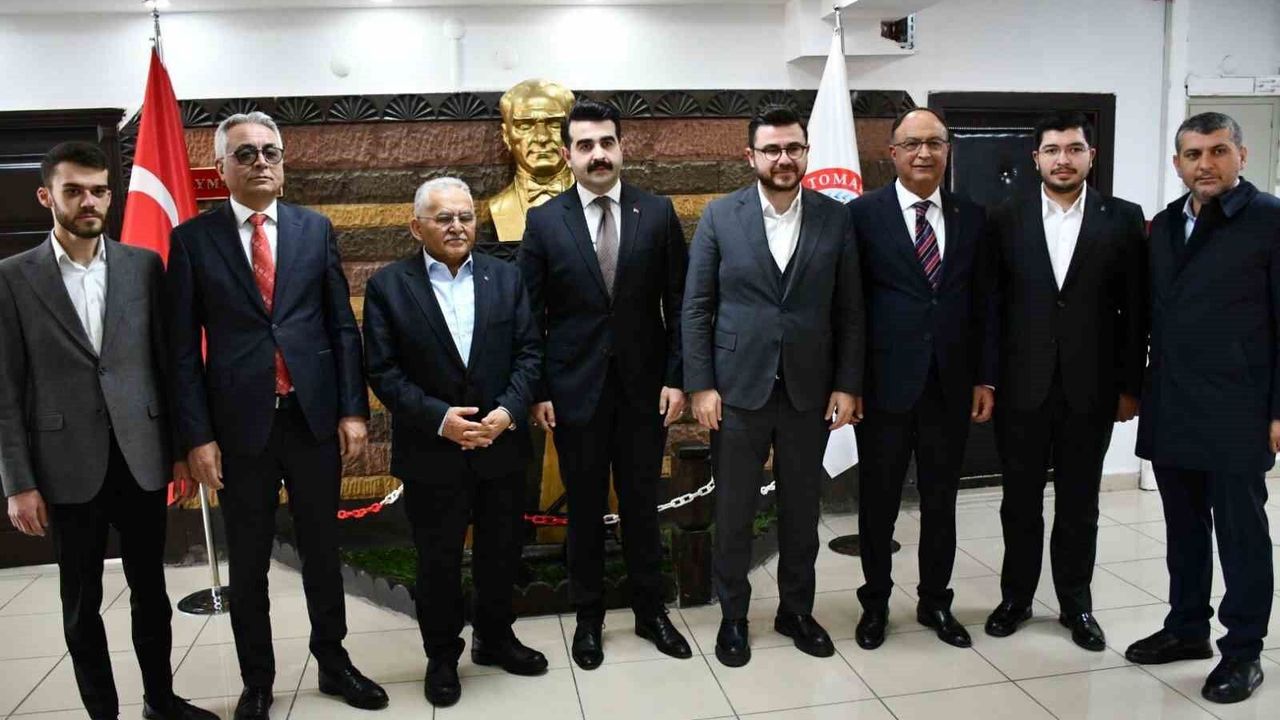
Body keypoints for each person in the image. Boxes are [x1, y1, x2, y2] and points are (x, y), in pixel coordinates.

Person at [166, 112, 387, 719]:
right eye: (246, 153)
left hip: (311, 420)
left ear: (283, 163)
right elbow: (180, 351)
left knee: (323, 551)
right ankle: (257, 681)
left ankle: (334, 663)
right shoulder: (192, 241)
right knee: (250, 562)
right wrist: (197, 436)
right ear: (222, 168)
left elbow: (341, 327)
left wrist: (353, 409)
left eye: (271, 151)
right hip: (239, 430)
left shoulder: (315, 229)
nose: (260, 161)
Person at [0, 141, 213, 720]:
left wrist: (178, 450)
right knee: (81, 603)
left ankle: (160, 701)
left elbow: (166, 365)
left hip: (141, 456)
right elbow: (6, 391)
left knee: (152, 593)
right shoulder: (13, 278)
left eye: (98, 191)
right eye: (73, 191)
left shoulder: (143, 266)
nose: (88, 201)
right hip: (65, 465)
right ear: (46, 196)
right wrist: (19, 483)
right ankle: (103, 713)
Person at [683, 105, 864, 667]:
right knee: (734, 511)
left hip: (810, 390)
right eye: (772, 150)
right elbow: (697, 307)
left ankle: (796, 612)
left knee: (802, 512)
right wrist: (701, 386)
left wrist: (847, 384)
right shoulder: (721, 216)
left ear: (806, 153)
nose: (784, 159)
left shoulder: (836, 218)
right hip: (737, 391)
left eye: (794, 148)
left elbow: (851, 310)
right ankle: (734, 617)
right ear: (751, 156)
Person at [518, 99, 692, 669]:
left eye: (607, 142)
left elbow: (680, 303)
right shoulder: (545, 222)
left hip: (645, 391)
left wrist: (676, 378)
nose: (598, 154)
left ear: (622, 147)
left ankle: (651, 611)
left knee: (642, 505)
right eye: (586, 145)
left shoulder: (657, 212)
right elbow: (529, 316)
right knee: (585, 508)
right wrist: (539, 390)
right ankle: (588, 618)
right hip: (574, 394)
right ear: (568, 154)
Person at [364, 177, 547, 707]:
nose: (457, 227)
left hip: (500, 446)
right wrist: (440, 419)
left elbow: (530, 352)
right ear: (415, 226)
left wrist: (507, 413)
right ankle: (442, 655)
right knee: (438, 561)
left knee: (501, 552)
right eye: (443, 218)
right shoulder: (388, 286)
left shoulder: (505, 277)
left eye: (465, 216)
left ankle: (496, 638)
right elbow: (383, 371)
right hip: (432, 451)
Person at [1128, 111, 1277, 704]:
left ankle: (1243, 651)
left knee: (1242, 535)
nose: (1205, 164)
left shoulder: (1269, 220)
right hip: (1173, 401)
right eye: (1193, 154)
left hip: (1240, 406)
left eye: (1218, 151)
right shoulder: (1165, 225)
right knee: (1184, 528)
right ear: (1177, 164)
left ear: (1241, 155)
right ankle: (1187, 627)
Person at [985, 112, 1147, 650]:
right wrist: (986, 379)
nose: (1063, 159)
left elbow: (1136, 310)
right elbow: (990, 306)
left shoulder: (1122, 218)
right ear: (1036, 158)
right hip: (1021, 386)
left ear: (1090, 156)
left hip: (1091, 388)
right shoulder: (1003, 217)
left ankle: (1076, 604)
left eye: (1074, 149)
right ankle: (1016, 598)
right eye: (1052, 150)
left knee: (1080, 504)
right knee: (1020, 502)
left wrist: (1130, 386)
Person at [849, 107, 996, 651]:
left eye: (934, 143)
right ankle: (875, 604)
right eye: (912, 143)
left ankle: (936, 600)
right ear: (892, 153)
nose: (924, 153)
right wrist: (850, 383)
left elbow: (985, 303)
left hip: (950, 386)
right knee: (878, 504)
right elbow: (850, 306)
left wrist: (985, 378)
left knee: (940, 503)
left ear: (948, 151)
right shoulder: (862, 215)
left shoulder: (972, 216)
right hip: (882, 388)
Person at [487, 79, 577, 242]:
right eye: (525, 126)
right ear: (506, 136)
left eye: (555, 124)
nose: (542, 137)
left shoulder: (596, 202)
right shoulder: (497, 207)